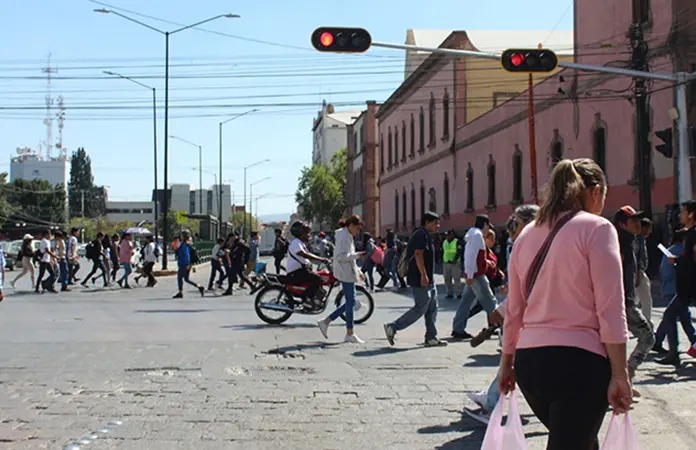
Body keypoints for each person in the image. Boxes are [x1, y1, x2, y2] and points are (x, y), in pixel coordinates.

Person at [499, 158, 632, 450]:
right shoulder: (598, 228)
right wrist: (620, 373)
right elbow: (610, 307)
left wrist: (506, 364)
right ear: (595, 192)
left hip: (530, 365)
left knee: (579, 441)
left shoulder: (526, 234)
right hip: (579, 364)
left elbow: (514, 310)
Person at [465, 205, 538, 425]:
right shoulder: (530, 244)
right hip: (534, 317)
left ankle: (491, 403)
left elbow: (528, 289)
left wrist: (502, 309)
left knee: (516, 359)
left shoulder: (531, 246)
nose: (512, 230)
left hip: (535, 318)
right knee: (514, 359)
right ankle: (491, 398)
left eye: (516, 224)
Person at [383, 211, 447, 347]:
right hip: (419, 278)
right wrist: (423, 275)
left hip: (428, 279)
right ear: (427, 222)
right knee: (421, 307)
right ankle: (393, 327)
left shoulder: (426, 235)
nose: (438, 226)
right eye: (435, 223)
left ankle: (431, 337)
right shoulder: (420, 234)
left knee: (432, 308)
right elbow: (418, 254)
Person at [614, 206, 656, 394]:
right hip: (622, 301)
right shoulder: (619, 242)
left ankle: (624, 377)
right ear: (622, 224)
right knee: (647, 337)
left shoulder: (631, 240)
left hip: (627, 299)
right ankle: (626, 374)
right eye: (633, 220)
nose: (638, 224)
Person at [655, 200, 696, 366]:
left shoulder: (693, 234)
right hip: (685, 286)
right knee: (674, 316)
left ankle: (674, 354)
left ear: (691, 214)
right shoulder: (689, 233)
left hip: (690, 285)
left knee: (670, 315)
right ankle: (673, 353)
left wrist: (677, 260)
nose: (680, 215)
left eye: (683, 212)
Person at [317, 215, 366, 343]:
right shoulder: (344, 237)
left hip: (348, 272)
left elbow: (349, 257)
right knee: (351, 303)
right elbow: (340, 256)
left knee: (351, 302)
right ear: (351, 225)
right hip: (345, 273)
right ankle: (346, 331)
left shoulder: (346, 235)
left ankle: (331, 323)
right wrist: (357, 255)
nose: (358, 232)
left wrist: (358, 271)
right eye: (357, 228)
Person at [451, 215, 497, 339]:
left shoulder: (472, 235)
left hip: (473, 274)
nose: (488, 230)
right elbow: (471, 256)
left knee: (466, 302)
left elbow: (470, 257)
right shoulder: (477, 236)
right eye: (488, 227)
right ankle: (503, 326)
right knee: (491, 302)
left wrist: (468, 273)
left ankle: (458, 328)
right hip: (477, 275)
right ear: (485, 225)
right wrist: (470, 274)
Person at [285, 221, 330, 306]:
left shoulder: (300, 243)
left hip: (301, 271)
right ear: (300, 233)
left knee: (319, 276)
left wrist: (321, 260)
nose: (309, 235)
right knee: (318, 278)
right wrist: (321, 259)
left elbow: (308, 255)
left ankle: (315, 297)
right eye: (306, 233)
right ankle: (307, 299)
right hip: (295, 273)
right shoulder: (296, 242)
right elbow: (304, 254)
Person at [634, 217, 654, 329]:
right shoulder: (638, 239)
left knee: (638, 299)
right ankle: (647, 324)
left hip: (639, 272)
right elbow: (637, 256)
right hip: (638, 273)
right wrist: (638, 274)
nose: (650, 232)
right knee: (646, 300)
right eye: (649, 229)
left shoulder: (639, 238)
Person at [173, 230, 205, 298]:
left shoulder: (184, 245)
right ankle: (199, 287)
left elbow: (186, 255)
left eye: (181, 235)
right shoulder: (187, 244)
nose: (180, 236)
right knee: (186, 279)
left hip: (184, 264)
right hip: (187, 264)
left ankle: (180, 292)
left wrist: (187, 264)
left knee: (179, 278)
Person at [442, 229, 462, 299]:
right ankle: (449, 293)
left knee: (456, 278)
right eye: (446, 235)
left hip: (455, 263)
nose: (447, 236)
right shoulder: (445, 242)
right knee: (447, 278)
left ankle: (458, 293)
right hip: (446, 262)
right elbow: (443, 251)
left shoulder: (457, 242)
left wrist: (455, 259)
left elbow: (459, 251)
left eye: (448, 235)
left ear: (452, 235)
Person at [35, 229, 58, 294]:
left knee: (53, 274)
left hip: (47, 260)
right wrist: (54, 256)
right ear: (46, 234)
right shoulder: (44, 241)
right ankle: (38, 288)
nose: (50, 235)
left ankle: (47, 285)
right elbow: (47, 251)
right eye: (49, 234)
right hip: (43, 260)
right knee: (42, 274)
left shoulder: (47, 241)